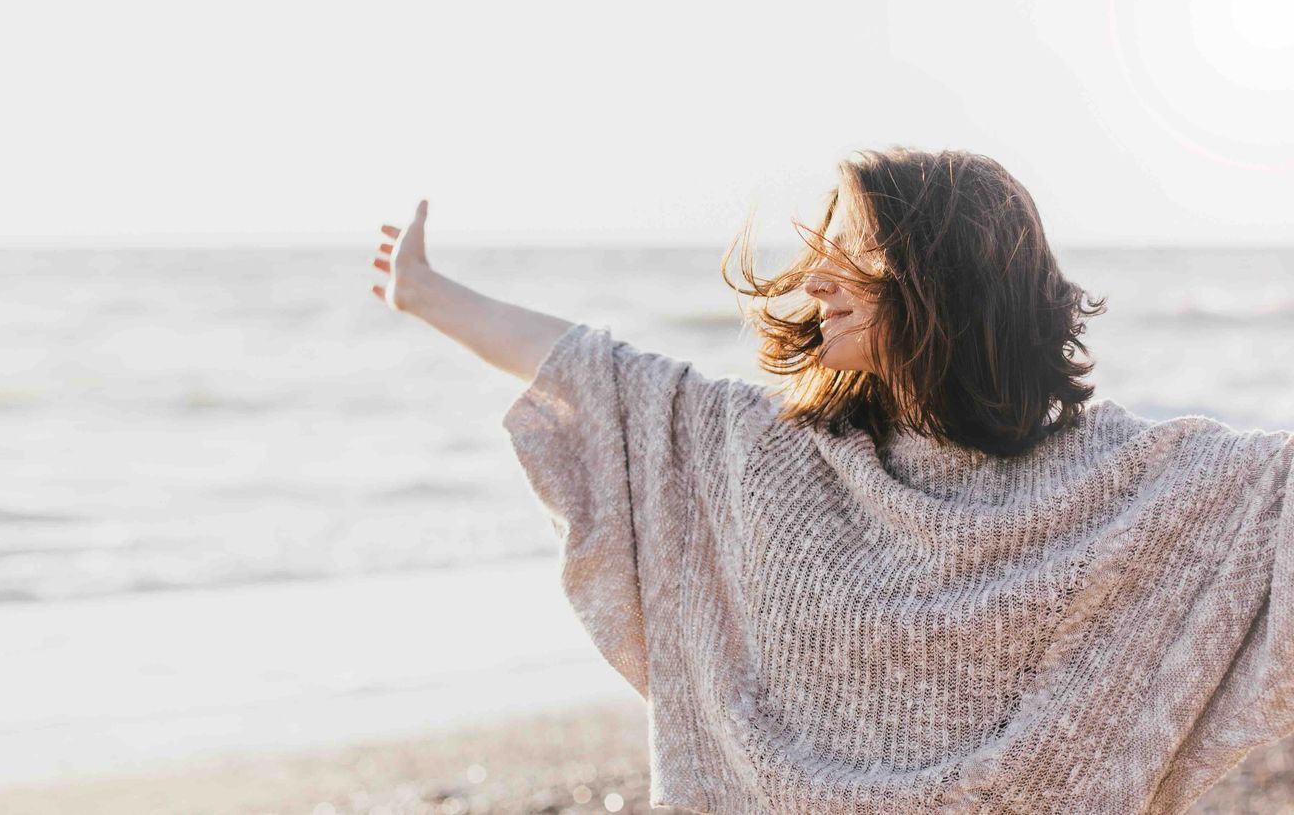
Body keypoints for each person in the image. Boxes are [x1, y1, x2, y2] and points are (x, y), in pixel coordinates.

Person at [366, 146, 1294, 813]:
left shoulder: (1139, 482)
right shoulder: (774, 454)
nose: (817, 280)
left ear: (944, 281)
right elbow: (590, 374)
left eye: (857, 249)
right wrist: (427, 293)